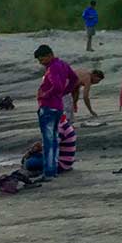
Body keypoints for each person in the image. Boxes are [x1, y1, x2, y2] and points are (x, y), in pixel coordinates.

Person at [34, 44, 78, 180]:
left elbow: (57, 86)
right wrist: (64, 92)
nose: (41, 63)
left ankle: (49, 172)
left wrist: (45, 94)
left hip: (49, 106)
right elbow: (74, 79)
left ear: (49, 55)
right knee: (52, 140)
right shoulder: (63, 65)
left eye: (42, 60)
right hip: (57, 106)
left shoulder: (52, 68)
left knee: (49, 141)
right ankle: (51, 170)